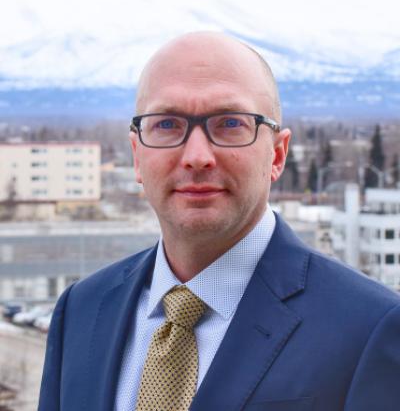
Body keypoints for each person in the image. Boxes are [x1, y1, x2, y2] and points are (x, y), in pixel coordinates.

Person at [38, 32, 400, 411]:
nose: (197, 156)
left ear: (277, 155)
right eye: (167, 125)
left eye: (229, 123)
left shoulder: (369, 330)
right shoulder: (81, 311)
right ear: (136, 155)